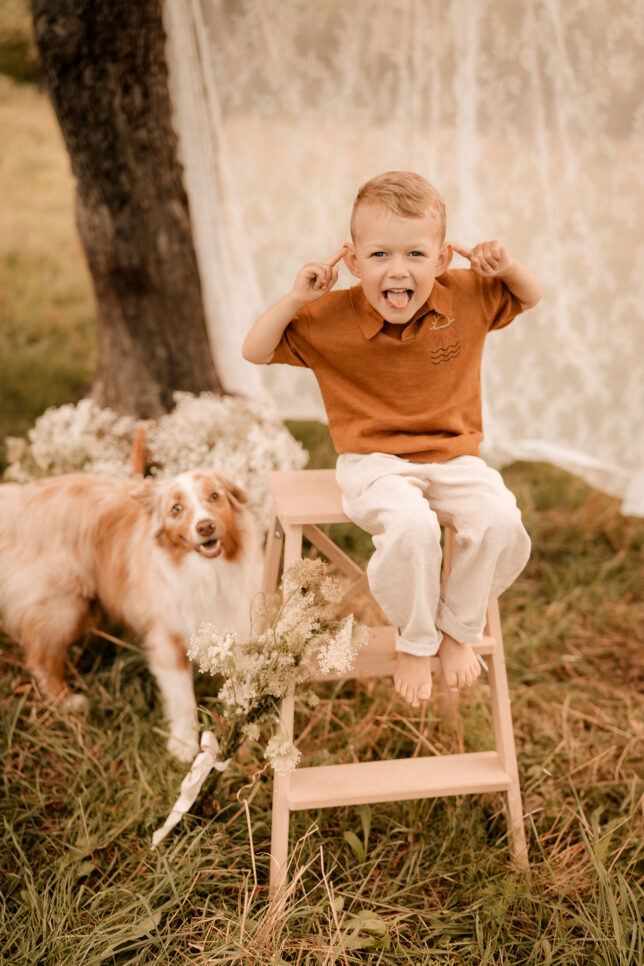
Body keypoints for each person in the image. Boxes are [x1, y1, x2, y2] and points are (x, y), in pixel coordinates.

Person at [243, 171, 542, 708]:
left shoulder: (466, 295)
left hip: (454, 457)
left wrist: (507, 267)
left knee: (500, 521)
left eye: (415, 255)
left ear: (442, 259)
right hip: (373, 461)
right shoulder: (329, 317)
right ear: (354, 261)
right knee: (411, 527)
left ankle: (457, 629)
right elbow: (255, 350)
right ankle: (415, 640)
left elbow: (530, 295)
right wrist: (295, 298)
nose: (398, 270)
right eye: (379, 254)